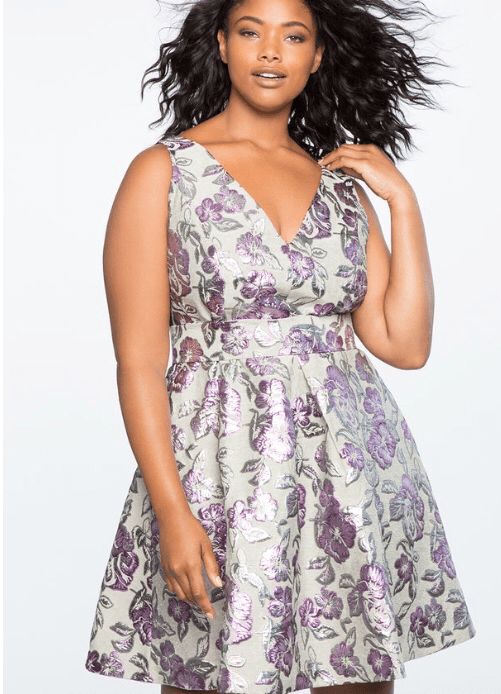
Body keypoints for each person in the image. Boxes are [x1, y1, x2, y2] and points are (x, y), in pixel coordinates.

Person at [84, 0, 476, 692]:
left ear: (316, 56)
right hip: (219, 474)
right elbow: (139, 363)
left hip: (351, 471)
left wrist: (402, 204)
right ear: (222, 44)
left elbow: (405, 344)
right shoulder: (164, 172)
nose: (270, 51)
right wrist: (172, 513)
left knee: (357, 676)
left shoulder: (341, 188)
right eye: (251, 32)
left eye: (293, 36)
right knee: (214, 671)